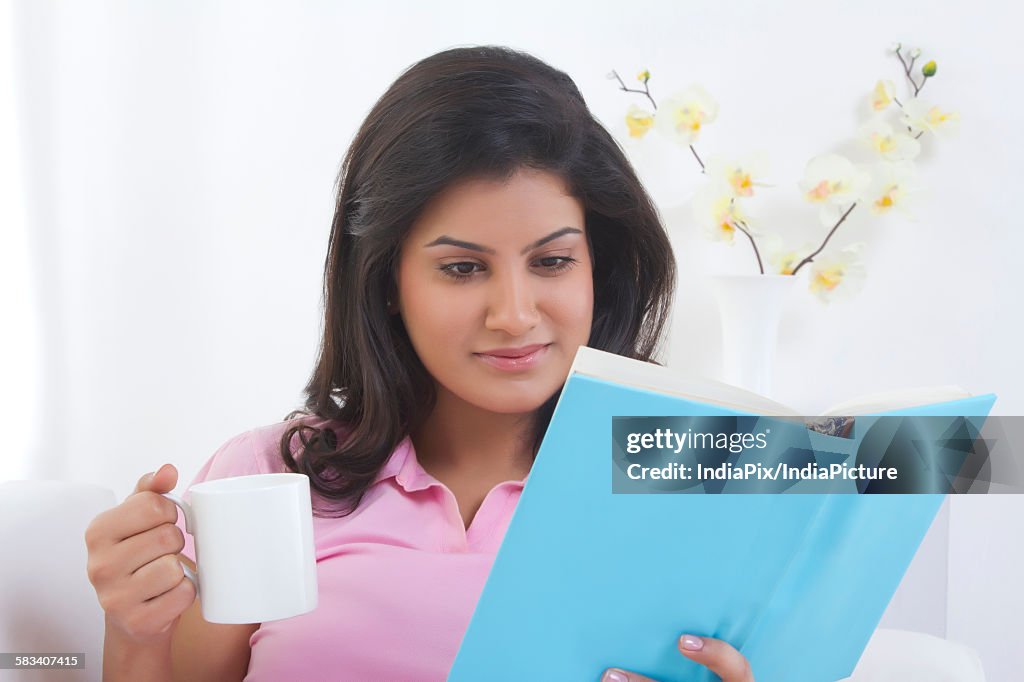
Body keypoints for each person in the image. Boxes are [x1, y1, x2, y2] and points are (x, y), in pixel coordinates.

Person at [85, 45, 753, 681]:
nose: (515, 314)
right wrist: (137, 630)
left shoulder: (685, 487)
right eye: (462, 268)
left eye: (552, 261)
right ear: (387, 282)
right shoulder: (267, 478)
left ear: (598, 271)